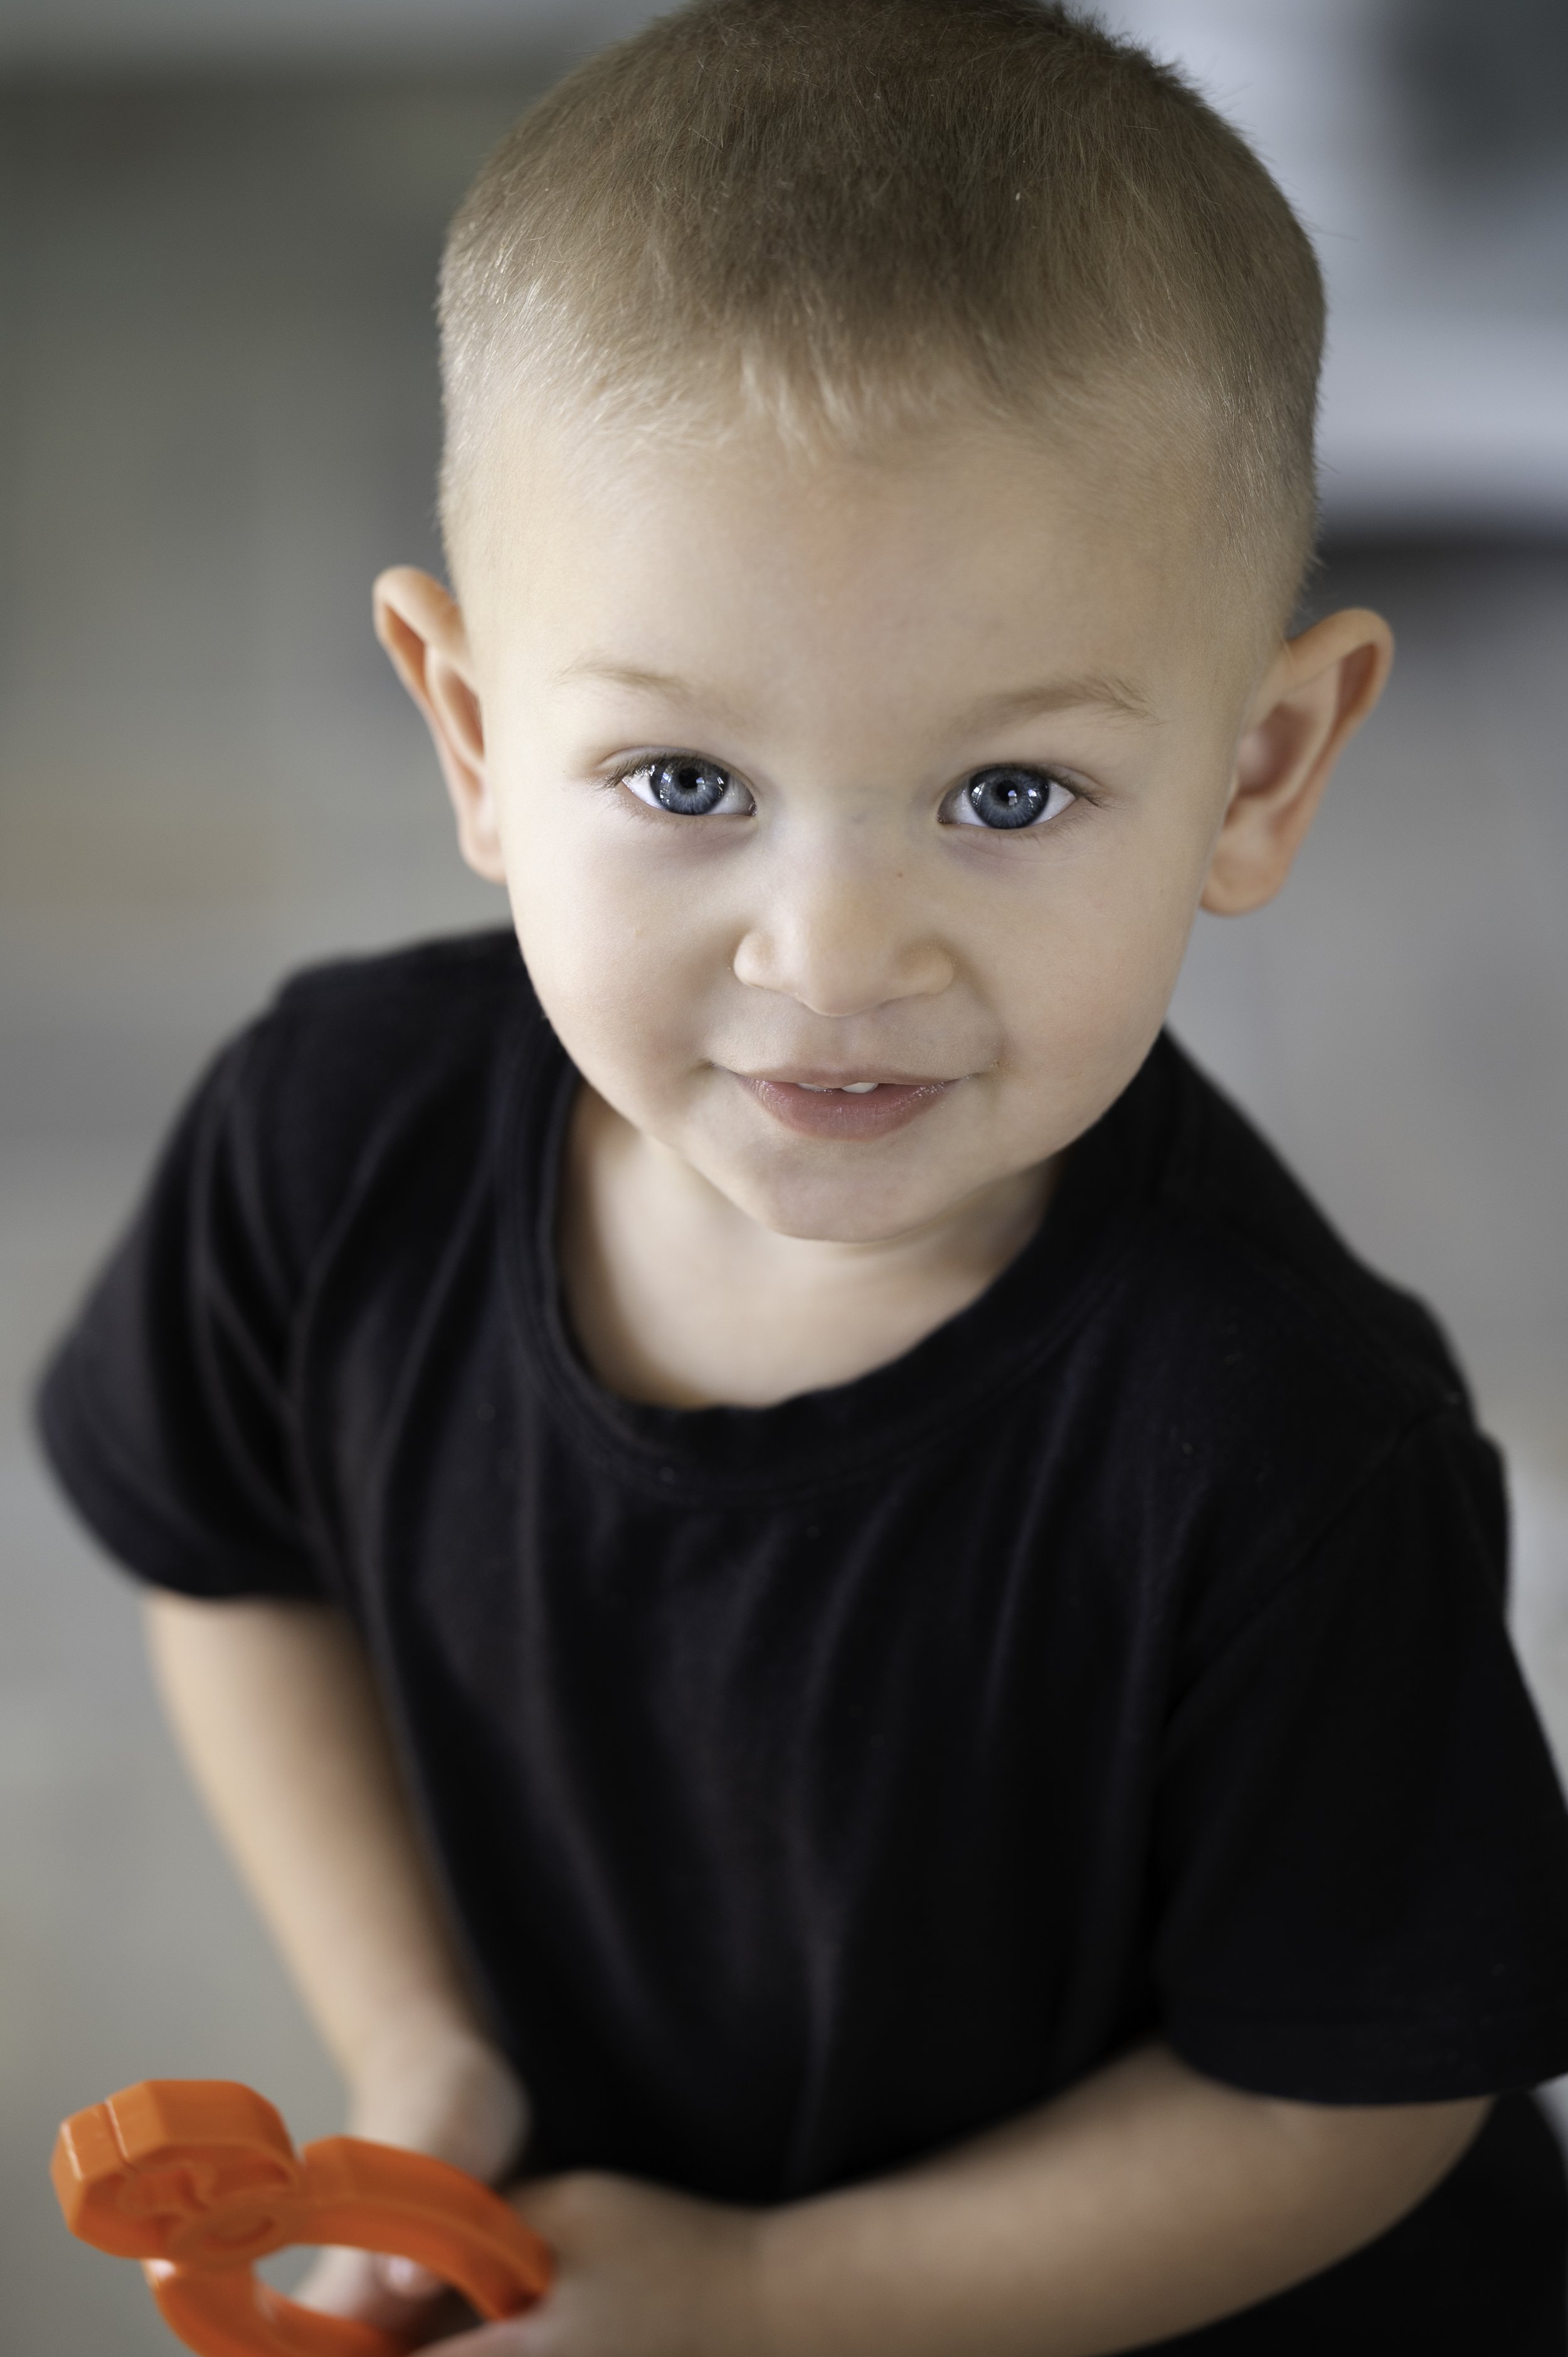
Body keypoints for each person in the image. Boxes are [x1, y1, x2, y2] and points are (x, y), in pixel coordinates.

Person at [36, 2, 1568, 2349]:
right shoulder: (323, 1144)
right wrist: (422, 2038)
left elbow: (1351, 2100)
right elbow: (235, 1567)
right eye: (677, 782)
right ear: (470, 732)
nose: (829, 957)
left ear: (1260, 769)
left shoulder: (1280, 1446)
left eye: (1007, 795)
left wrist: (774, 2298)